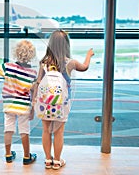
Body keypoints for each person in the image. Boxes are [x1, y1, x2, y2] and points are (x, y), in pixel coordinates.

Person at [32, 30, 94, 170]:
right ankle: (58, 161)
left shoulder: (44, 62)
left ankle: (48, 160)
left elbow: (38, 81)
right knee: (59, 132)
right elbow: (85, 67)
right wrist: (88, 55)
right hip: (61, 104)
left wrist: (34, 100)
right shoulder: (70, 63)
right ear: (66, 45)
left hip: (45, 103)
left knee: (46, 130)